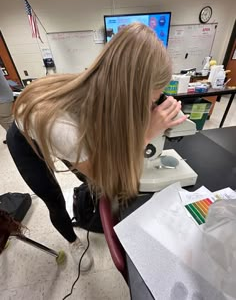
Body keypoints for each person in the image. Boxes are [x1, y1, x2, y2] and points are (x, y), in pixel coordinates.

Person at [6, 23, 187, 272]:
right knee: (55, 198)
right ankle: (72, 241)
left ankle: (88, 207)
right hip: (26, 139)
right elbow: (108, 176)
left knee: (90, 179)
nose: (151, 105)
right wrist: (147, 133)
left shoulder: (105, 91)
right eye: (151, 99)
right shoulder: (66, 128)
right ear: (129, 93)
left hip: (63, 132)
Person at [0, 69, 14, 143]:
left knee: (7, 121)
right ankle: (11, 137)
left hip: (3, 99)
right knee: (3, 121)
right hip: (3, 98)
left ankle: (17, 139)